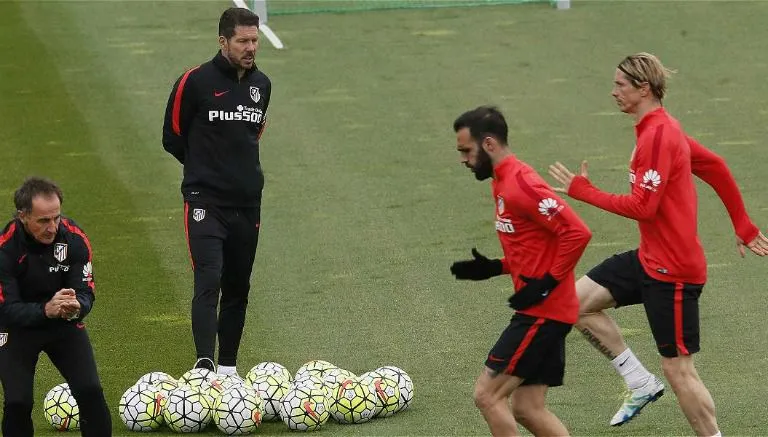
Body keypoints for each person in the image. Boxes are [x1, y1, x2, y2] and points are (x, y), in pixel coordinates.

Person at [548, 52, 768, 435]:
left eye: (620, 85)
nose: (613, 91)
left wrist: (584, 192)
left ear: (643, 88)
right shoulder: (660, 129)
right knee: (572, 302)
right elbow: (715, 166)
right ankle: (639, 381)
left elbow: (643, 207)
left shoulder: (660, 136)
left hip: (674, 272)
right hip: (650, 259)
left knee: (679, 370)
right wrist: (743, 224)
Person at [450, 106, 592, 436]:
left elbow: (577, 233)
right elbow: (532, 249)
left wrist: (547, 283)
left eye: (466, 151)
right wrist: (495, 267)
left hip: (544, 311)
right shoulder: (501, 182)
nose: (463, 159)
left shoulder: (522, 184)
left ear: (488, 144)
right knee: (528, 408)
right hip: (547, 309)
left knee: (487, 396)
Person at [162, 7, 271, 375]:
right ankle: (204, 367)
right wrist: (205, 169)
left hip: (247, 204)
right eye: (243, 41)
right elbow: (172, 136)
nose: (250, 47)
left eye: (254, 40)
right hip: (205, 202)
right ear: (223, 41)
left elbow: (251, 135)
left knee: (238, 286)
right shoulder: (194, 82)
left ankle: (228, 369)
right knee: (209, 280)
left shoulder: (262, 85)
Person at [0, 177, 112, 436]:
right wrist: (45, 310)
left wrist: (77, 306)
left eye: (56, 218)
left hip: (62, 322)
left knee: (90, 391)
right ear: (22, 216)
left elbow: (86, 291)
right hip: (16, 328)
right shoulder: (5, 249)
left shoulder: (74, 239)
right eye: (43, 221)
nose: (52, 227)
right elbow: (7, 309)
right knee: (17, 401)